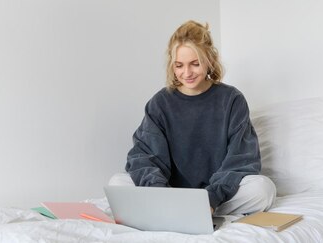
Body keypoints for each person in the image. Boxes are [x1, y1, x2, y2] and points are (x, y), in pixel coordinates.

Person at [109, 20, 276, 216]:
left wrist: (211, 199)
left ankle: (194, 212)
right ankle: (178, 210)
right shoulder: (160, 103)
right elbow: (143, 156)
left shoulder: (232, 100)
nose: (186, 73)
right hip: (169, 194)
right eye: (179, 65)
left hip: (215, 196)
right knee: (117, 183)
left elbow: (242, 160)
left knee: (263, 190)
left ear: (209, 60)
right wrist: (160, 194)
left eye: (195, 64)